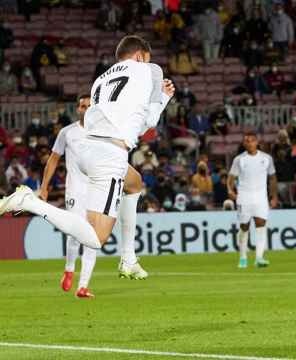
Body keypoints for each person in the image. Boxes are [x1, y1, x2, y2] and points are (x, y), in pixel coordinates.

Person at [0, 36, 174, 282]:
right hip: (109, 154)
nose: (149, 63)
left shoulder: (101, 79)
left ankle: (128, 257)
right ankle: (29, 202)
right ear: (139, 56)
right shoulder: (149, 70)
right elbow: (149, 123)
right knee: (96, 237)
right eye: (147, 58)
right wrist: (164, 98)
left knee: (134, 183)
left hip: (88, 150)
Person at [39, 95, 97, 298]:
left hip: (97, 191)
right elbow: (54, 159)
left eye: (90, 106)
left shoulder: (104, 132)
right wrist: (44, 186)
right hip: (75, 190)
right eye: (83, 106)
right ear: (78, 110)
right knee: (75, 234)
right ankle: (69, 269)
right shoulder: (67, 132)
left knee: (93, 237)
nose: (86, 109)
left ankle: (83, 286)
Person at [227, 133, 278, 268]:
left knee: (261, 225)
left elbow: (272, 178)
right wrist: (230, 190)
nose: (249, 143)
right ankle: (243, 257)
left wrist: (274, 196)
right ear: (244, 144)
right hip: (244, 197)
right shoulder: (239, 159)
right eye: (246, 141)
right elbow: (231, 178)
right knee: (244, 227)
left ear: (257, 142)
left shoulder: (266, 158)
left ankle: (259, 258)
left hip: (261, 197)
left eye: (252, 141)